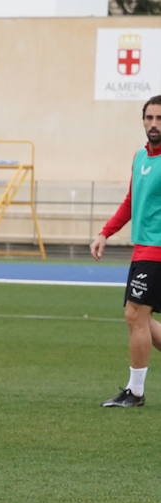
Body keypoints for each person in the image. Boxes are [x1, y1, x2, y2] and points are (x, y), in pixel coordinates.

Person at [92, 94, 161, 408]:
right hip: (142, 250)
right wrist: (105, 232)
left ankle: (135, 392)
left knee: (135, 315)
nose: (154, 124)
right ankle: (135, 391)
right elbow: (131, 202)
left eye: (159, 119)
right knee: (142, 320)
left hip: (157, 252)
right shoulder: (140, 157)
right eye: (149, 118)